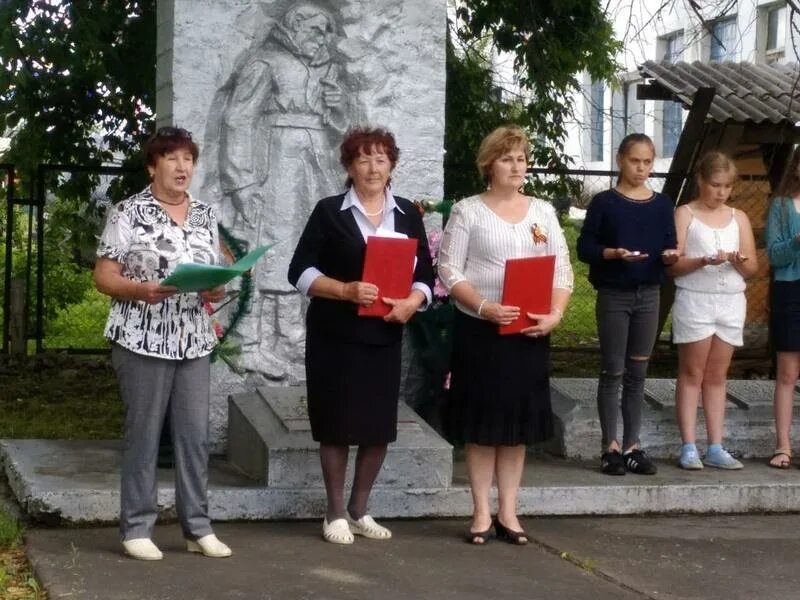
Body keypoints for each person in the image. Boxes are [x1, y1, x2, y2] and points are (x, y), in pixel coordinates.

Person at [287, 126, 434, 544]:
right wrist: (343, 290)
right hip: (335, 333)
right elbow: (299, 270)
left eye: (381, 159)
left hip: (384, 334)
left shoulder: (407, 213)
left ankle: (359, 509)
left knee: (376, 425)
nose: (373, 167)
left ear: (392, 166)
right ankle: (333, 513)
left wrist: (413, 301)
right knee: (336, 422)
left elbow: (425, 273)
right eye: (364, 159)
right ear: (350, 166)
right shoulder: (330, 211)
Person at [93, 127, 232, 561]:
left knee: (194, 437)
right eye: (171, 158)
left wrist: (216, 289)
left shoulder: (206, 215)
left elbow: (219, 272)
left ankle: (198, 528)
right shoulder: (128, 213)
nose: (182, 167)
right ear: (153, 166)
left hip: (193, 339)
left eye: (188, 158)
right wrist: (139, 290)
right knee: (145, 435)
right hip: (141, 337)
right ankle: (136, 527)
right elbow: (103, 276)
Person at [438, 125, 573, 545]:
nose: (517, 166)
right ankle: (480, 512)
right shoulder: (468, 211)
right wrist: (483, 306)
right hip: (481, 332)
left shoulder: (543, 212)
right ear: (488, 164)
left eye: (522, 158)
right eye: (507, 158)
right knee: (483, 425)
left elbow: (563, 270)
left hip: (529, 332)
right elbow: (449, 269)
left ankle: (509, 512)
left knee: (515, 427)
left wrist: (555, 314)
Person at [209, 2, 354, 379]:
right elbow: (238, 119)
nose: (321, 38)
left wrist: (338, 109)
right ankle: (249, 341)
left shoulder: (328, 69)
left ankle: (292, 335)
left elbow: (344, 130)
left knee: (308, 246)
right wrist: (240, 179)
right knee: (269, 248)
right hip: (275, 163)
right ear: (293, 27)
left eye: (326, 31)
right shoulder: (267, 62)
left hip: (314, 165)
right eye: (314, 29)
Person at [577, 133, 678, 476]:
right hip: (614, 294)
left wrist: (669, 256)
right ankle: (610, 447)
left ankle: (633, 445)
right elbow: (585, 248)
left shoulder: (663, 204)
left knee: (638, 373)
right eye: (635, 160)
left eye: (647, 162)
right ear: (621, 159)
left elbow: (669, 244)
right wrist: (612, 253)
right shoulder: (605, 202)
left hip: (649, 294)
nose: (641, 168)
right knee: (613, 371)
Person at [669, 152, 757, 470]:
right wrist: (703, 260)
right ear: (701, 182)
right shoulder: (685, 213)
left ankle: (716, 446)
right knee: (693, 373)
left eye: (727, 186)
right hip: (696, 299)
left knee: (718, 376)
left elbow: (752, 268)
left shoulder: (739, 217)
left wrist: (737, 260)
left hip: (731, 302)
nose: (721, 192)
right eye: (715, 185)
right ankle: (689, 446)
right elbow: (674, 264)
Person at [766, 146, 800, 469]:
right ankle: (783, 446)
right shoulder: (780, 206)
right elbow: (775, 256)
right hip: (790, 291)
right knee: (787, 373)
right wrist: (796, 242)